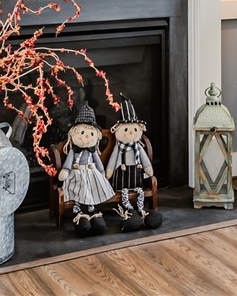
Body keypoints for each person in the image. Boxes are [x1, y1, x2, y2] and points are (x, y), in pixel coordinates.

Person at [105, 94, 161, 232]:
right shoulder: (119, 147)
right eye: (126, 129)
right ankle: (132, 213)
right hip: (121, 181)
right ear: (117, 130)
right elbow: (112, 160)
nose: (130, 133)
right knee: (123, 189)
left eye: (134, 129)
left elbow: (146, 162)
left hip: (136, 179)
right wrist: (108, 173)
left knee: (139, 188)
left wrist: (148, 169)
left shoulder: (138, 146)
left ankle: (141, 212)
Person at [58, 102, 113, 237]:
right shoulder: (73, 150)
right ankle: (78, 213)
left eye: (90, 133)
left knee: (92, 190)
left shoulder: (93, 150)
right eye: (82, 132)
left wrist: (102, 173)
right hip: (76, 173)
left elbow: (99, 163)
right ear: (74, 133)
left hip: (91, 173)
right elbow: (68, 164)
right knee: (78, 189)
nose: (87, 137)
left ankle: (92, 211)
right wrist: (65, 171)